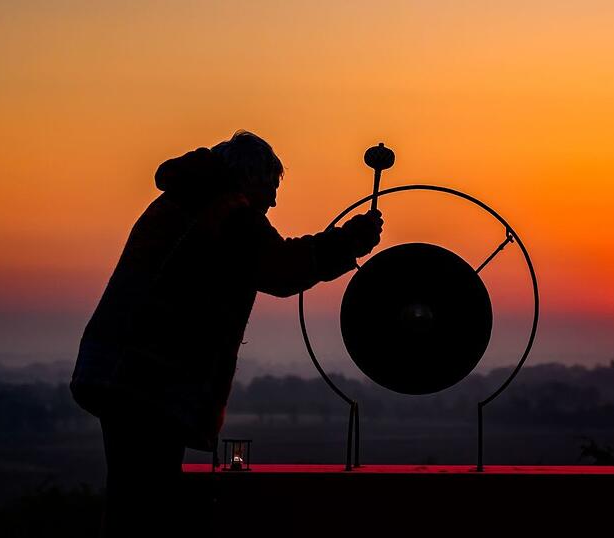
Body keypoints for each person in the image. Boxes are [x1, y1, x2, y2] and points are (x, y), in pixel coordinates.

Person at [70, 130, 383, 535]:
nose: (272, 202)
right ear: (249, 180)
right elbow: (280, 267)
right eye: (270, 188)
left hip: (120, 368)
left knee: (133, 494)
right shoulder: (225, 211)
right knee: (145, 500)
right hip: (149, 378)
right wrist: (349, 241)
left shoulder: (182, 199)